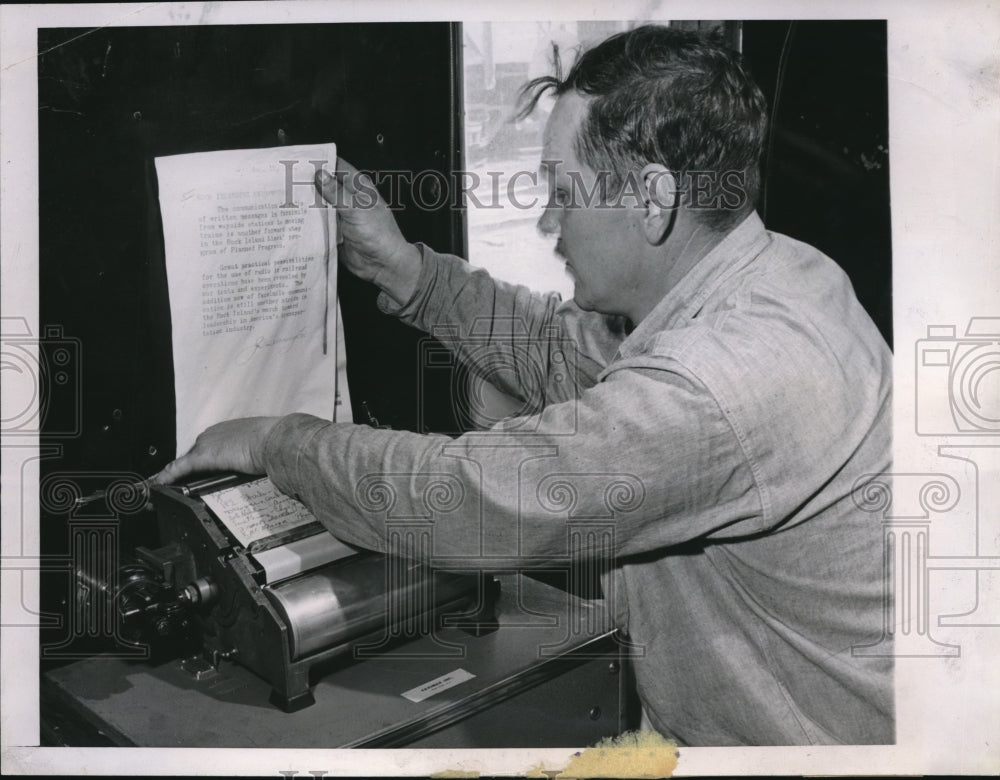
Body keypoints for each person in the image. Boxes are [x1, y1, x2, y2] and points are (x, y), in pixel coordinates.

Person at [154, 25, 893, 746]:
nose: (547, 220)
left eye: (563, 192)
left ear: (651, 199)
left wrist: (277, 442)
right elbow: (556, 350)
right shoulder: (778, 275)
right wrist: (404, 271)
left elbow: (473, 498)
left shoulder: (723, 381)